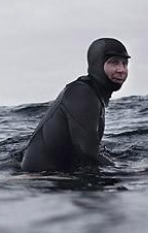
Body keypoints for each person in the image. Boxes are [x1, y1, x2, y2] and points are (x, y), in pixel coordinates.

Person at [20, 38, 130, 172]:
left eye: (125, 63)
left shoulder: (91, 93)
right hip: (44, 180)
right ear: (97, 64)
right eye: (114, 63)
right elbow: (87, 154)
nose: (121, 70)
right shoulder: (83, 94)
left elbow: (88, 151)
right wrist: (131, 170)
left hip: (57, 175)